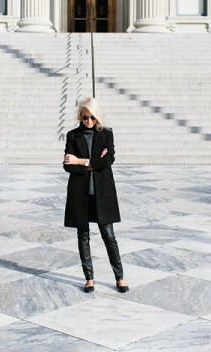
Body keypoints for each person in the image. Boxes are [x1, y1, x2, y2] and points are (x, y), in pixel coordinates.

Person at [63, 97, 129, 293]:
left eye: (92, 117)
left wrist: (80, 161)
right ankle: (89, 278)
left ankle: (119, 277)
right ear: (80, 117)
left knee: (109, 235)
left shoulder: (106, 134)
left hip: (102, 193)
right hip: (80, 193)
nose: (89, 121)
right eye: (85, 118)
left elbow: (108, 161)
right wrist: (92, 163)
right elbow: (67, 165)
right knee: (83, 235)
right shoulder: (72, 135)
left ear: (97, 116)